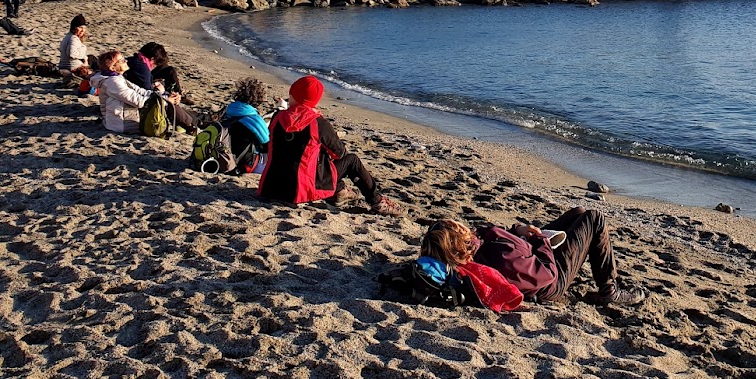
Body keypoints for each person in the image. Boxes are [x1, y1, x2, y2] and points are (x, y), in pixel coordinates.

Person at [421, 207, 644, 307]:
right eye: (459, 227)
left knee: (578, 213)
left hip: (527, 253)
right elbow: (545, 274)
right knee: (594, 218)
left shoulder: (476, 247)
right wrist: (542, 242)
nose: (464, 226)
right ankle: (609, 290)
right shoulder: (501, 257)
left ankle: (607, 282)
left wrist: (517, 230)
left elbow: (493, 235)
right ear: (459, 239)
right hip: (552, 278)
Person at [257, 75, 405, 215]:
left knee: (314, 150)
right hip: (299, 190)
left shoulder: (277, 117)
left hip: (271, 186)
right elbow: (339, 153)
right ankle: (377, 201)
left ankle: (339, 191)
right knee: (351, 160)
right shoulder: (318, 122)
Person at [90, 50, 199, 134]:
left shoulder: (117, 78)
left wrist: (166, 95)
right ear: (113, 67)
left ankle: (192, 125)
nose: (126, 61)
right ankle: (192, 127)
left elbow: (142, 92)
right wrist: (166, 100)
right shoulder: (113, 83)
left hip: (126, 117)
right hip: (123, 123)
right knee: (167, 104)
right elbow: (139, 101)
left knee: (168, 101)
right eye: (122, 60)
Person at [222, 77, 274, 172]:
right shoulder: (253, 120)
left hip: (225, 156)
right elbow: (267, 146)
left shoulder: (229, 111)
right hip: (245, 163)